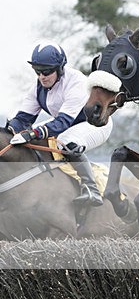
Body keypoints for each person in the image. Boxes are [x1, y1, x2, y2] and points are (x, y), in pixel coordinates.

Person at [6, 42, 111, 206]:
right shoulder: (37, 87)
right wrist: (9, 132)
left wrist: (33, 133)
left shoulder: (76, 82)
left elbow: (63, 122)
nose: (42, 76)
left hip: (94, 125)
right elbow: (22, 119)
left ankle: (92, 189)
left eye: (47, 71)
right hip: (68, 125)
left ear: (60, 68)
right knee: (32, 137)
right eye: (38, 71)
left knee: (66, 143)